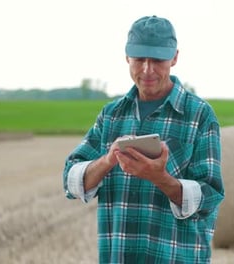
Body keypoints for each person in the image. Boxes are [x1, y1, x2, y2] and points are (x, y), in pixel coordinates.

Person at [63, 15, 224, 263]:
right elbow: (71, 181)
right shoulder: (111, 116)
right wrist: (108, 160)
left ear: (175, 58)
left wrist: (160, 178)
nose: (147, 69)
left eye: (157, 60)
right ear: (127, 57)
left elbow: (210, 198)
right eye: (139, 59)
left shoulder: (200, 115)